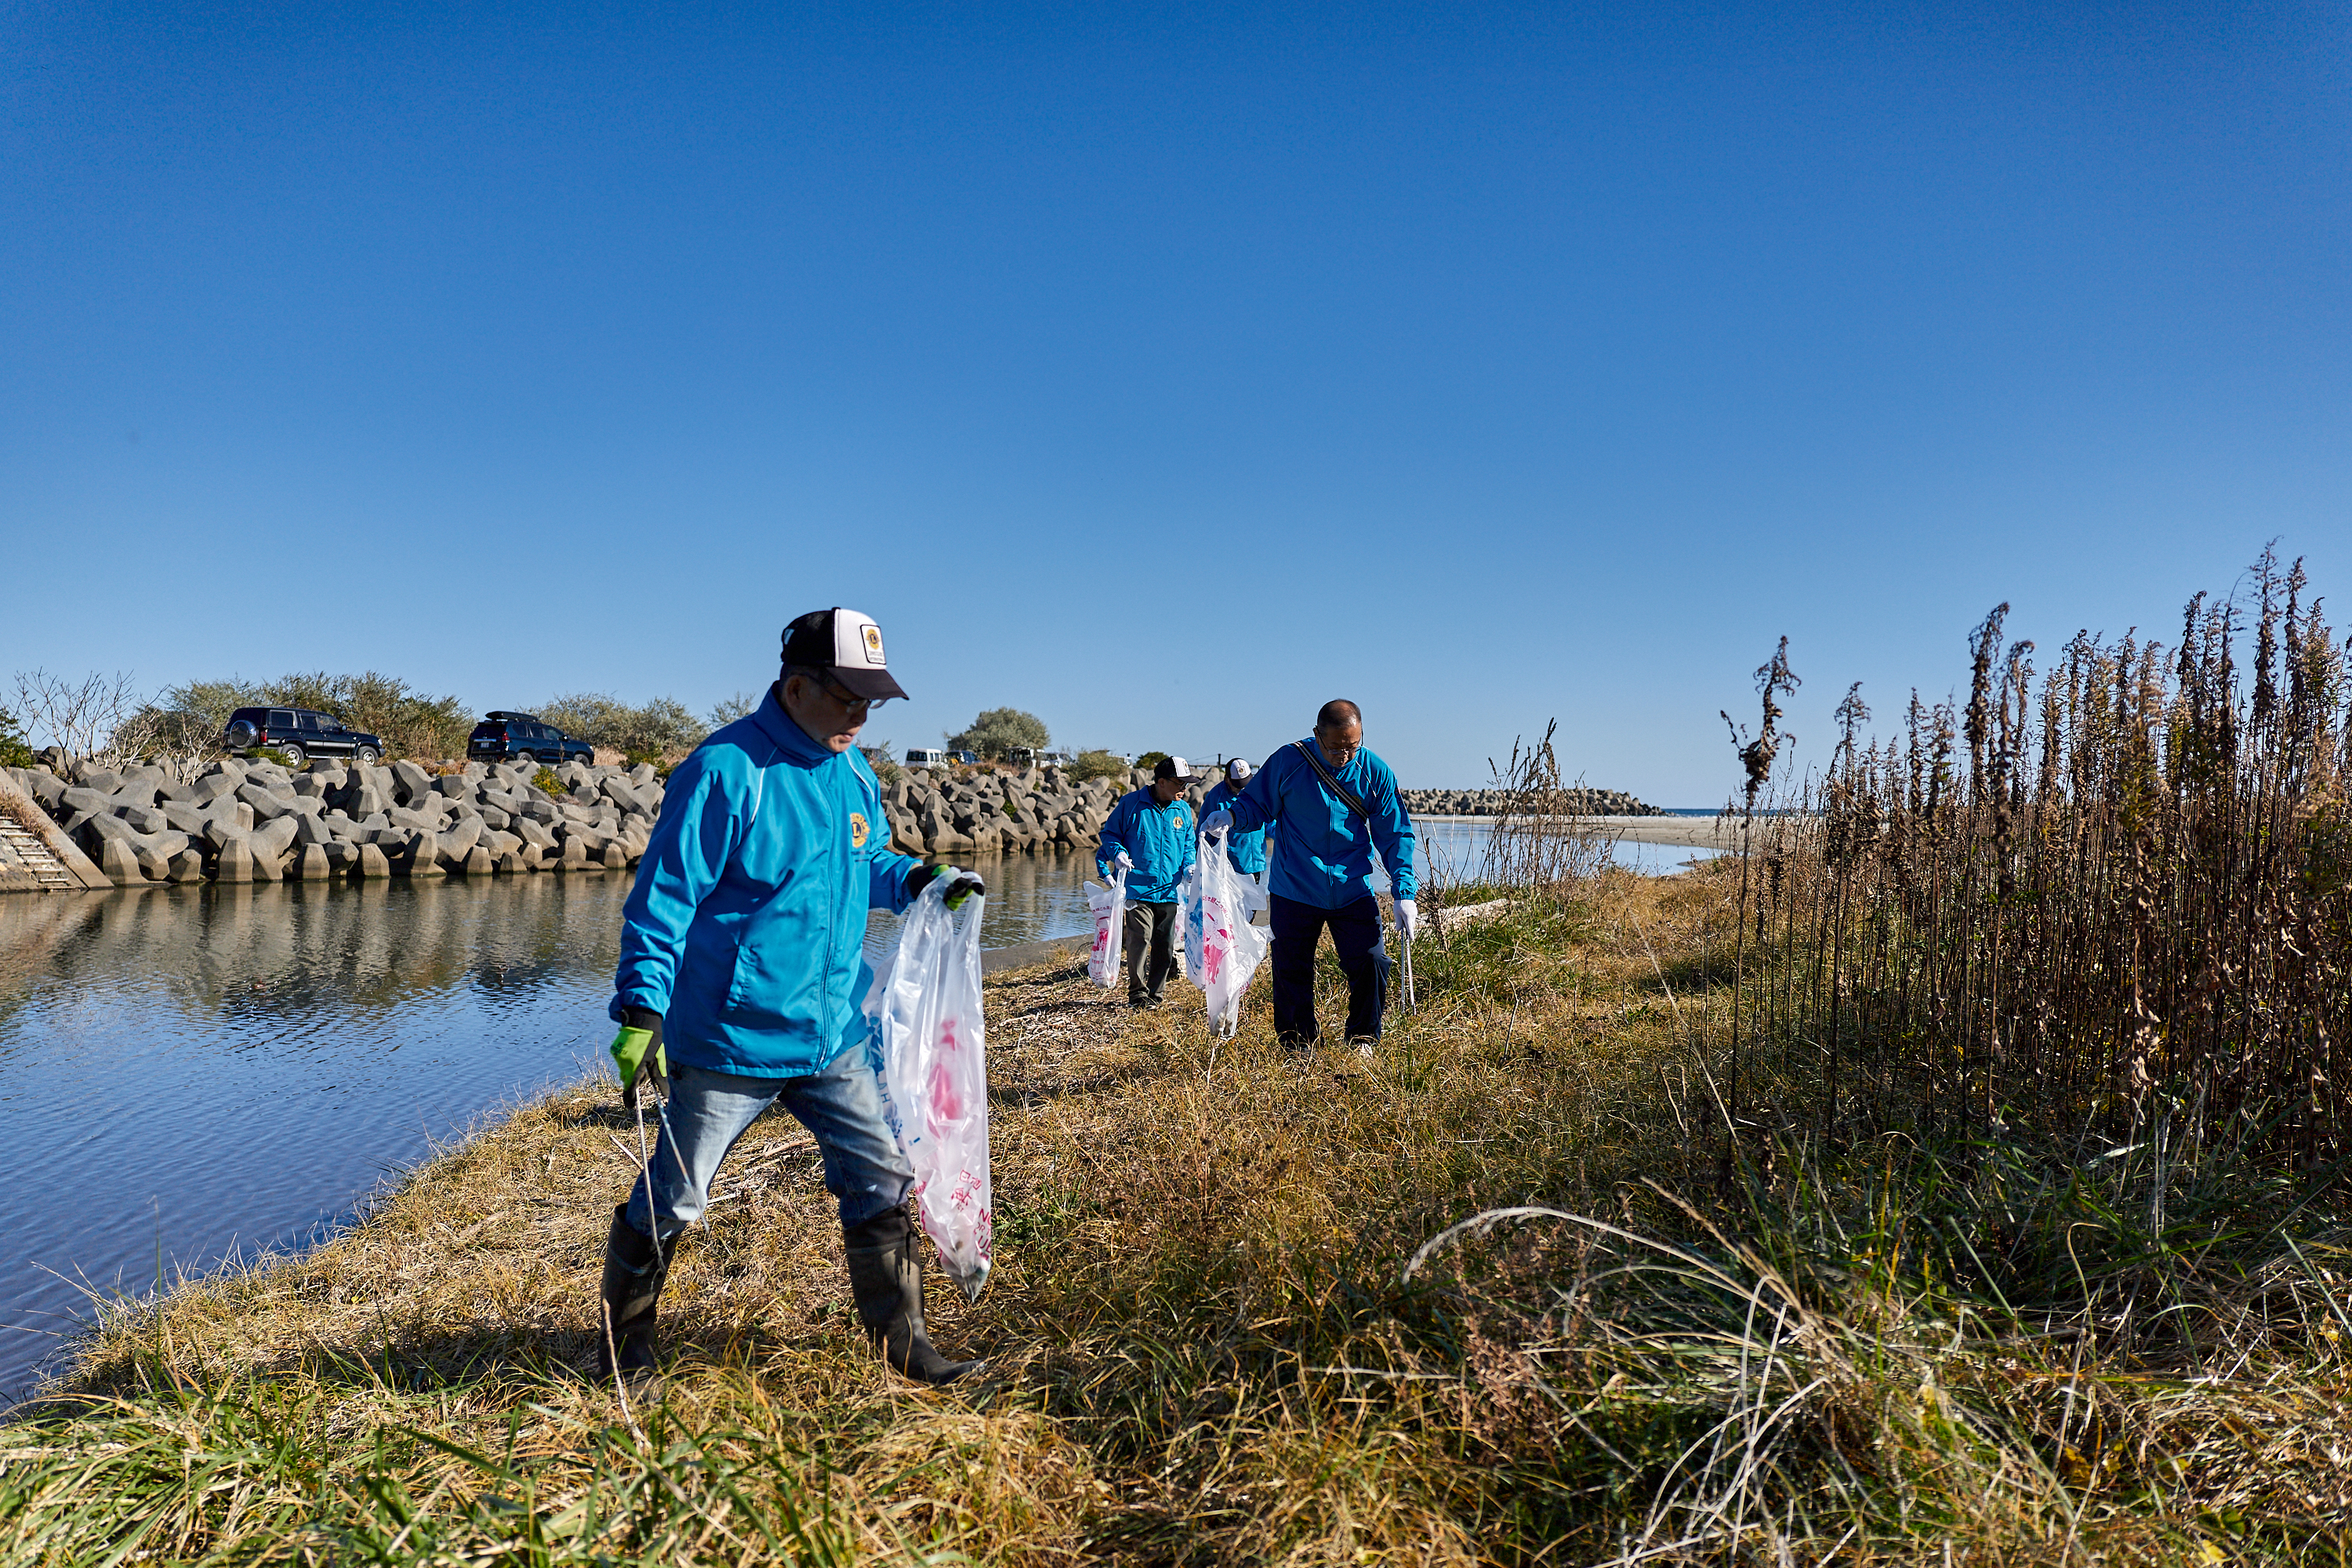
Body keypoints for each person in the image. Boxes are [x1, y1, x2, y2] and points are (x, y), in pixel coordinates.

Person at [597, 607, 987, 1398]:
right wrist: (642, 1007)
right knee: (676, 1192)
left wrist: (913, 878)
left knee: (882, 1175)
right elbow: (663, 898)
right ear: (796, 683)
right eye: (848, 697)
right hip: (730, 1042)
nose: (859, 715)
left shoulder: (854, 774)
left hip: (834, 1035)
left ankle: (905, 1342)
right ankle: (624, 1349)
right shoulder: (724, 771)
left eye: (871, 702)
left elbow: (863, 858)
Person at [1203, 700, 1417, 1054]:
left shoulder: (1375, 771)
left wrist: (1403, 891)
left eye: (1353, 746)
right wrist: (1232, 817)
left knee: (1372, 961)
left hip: (1352, 888)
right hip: (1294, 887)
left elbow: (1395, 833)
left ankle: (1362, 1039)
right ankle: (1297, 1046)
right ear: (1318, 735)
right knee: (1291, 970)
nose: (1344, 755)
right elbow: (1256, 805)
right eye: (1335, 748)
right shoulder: (1289, 762)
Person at [1096, 756, 1199, 1008]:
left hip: (1170, 891)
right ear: (1162, 782)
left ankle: (1156, 995)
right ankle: (1137, 993)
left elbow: (1188, 844)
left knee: (1164, 946)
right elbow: (1109, 834)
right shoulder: (1131, 804)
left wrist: (1189, 866)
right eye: (1180, 783)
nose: (1185, 789)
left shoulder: (1183, 810)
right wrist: (1117, 853)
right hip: (1138, 888)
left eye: (1187, 783)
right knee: (1140, 939)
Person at [1200, 758, 1272, 881]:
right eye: (1238, 785)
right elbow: (1203, 833)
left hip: (1256, 865)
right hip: (1228, 869)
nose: (1242, 789)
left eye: (1245, 784)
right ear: (1227, 779)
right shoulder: (1216, 797)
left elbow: (1270, 823)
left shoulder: (1256, 792)